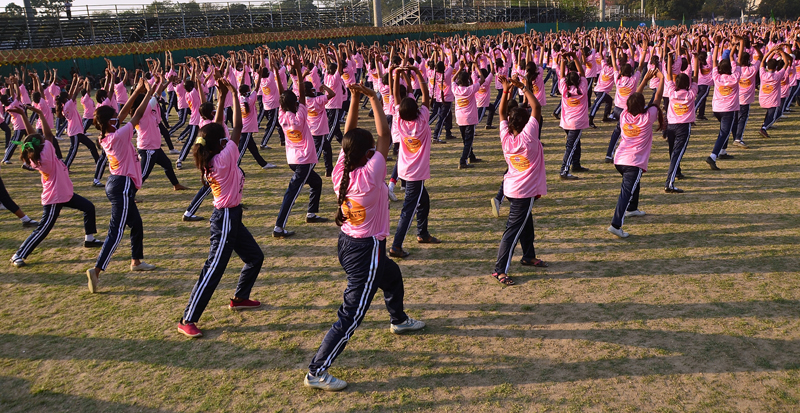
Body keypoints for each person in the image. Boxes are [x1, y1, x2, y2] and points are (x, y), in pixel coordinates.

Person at [304, 83, 425, 392]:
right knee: (351, 315)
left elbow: (351, 136)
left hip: (347, 243)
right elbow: (385, 136)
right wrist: (373, 99)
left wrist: (355, 100)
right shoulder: (372, 172)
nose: (376, 149)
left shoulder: (341, 169)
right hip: (365, 250)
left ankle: (398, 319)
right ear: (369, 153)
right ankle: (316, 371)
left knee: (392, 276)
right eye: (372, 148)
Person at [177, 78, 264, 338]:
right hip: (225, 217)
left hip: (232, 216)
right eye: (223, 138)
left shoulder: (210, 154)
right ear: (219, 143)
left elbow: (216, 127)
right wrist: (236, 94)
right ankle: (187, 318)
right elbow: (237, 125)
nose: (228, 138)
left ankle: (239, 297)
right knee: (214, 267)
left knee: (255, 257)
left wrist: (223, 96)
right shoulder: (224, 158)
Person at [9, 105, 103, 268]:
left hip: (65, 193)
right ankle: (18, 254)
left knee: (89, 207)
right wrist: (38, 113)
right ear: (39, 146)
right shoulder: (46, 156)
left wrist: (24, 115)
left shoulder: (37, 155)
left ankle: (90, 239)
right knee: (43, 229)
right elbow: (48, 135)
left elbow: (33, 136)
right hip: (55, 197)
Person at [492, 75, 548, 286]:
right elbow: (536, 107)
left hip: (513, 188)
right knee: (512, 230)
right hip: (523, 192)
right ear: (527, 124)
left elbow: (500, 112)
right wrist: (523, 87)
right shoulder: (529, 137)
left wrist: (507, 90)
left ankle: (528, 255)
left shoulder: (506, 137)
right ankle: (499, 270)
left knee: (527, 223)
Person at [273, 55, 327, 239]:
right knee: (292, 194)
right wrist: (297, 69)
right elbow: (302, 96)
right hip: (302, 161)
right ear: (295, 103)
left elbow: (285, 97)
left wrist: (277, 71)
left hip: (293, 160)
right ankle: (279, 226)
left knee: (317, 182)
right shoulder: (300, 116)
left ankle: (311, 213)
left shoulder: (282, 116)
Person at [389, 66, 440, 259]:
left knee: (424, 201)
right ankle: (396, 245)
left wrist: (396, 76)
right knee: (408, 210)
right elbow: (426, 96)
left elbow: (396, 98)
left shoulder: (399, 121)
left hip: (405, 170)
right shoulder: (422, 121)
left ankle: (423, 233)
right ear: (417, 110)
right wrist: (418, 74)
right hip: (415, 174)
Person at [608, 68, 664, 238]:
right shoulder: (647, 117)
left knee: (632, 184)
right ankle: (616, 225)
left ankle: (632, 208)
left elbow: (634, 100)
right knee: (626, 191)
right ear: (642, 106)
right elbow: (657, 98)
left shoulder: (624, 115)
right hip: (633, 162)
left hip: (620, 159)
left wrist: (645, 79)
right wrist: (661, 79)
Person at [557, 52, 590, 180]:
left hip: (566, 122)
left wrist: (563, 61)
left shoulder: (564, 89)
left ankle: (576, 164)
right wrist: (575, 57)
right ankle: (564, 171)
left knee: (576, 143)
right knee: (570, 146)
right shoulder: (583, 88)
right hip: (576, 123)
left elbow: (561, 75)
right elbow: (582, 73)